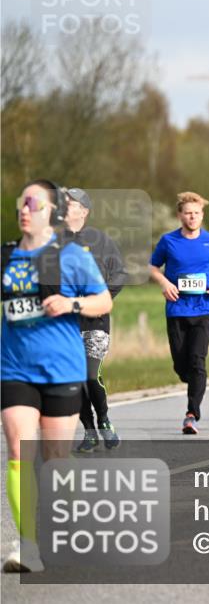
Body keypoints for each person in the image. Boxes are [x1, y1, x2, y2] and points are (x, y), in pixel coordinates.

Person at [2, 180, 112, 572]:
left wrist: (72, 302)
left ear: (50, 210)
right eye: (21, 202)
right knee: (19, 450)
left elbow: (104, 300)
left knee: (55, 460)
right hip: (14, 368)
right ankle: (27, 544)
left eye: (32, 202)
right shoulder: (6, 258)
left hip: (62, 369)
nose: (24, 208)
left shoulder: (71, 257)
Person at [148, 192, 209, 435]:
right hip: (176, 309)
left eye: (196, 213)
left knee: (197, 361)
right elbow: (153, 267)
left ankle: (191, 414)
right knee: (181, 364)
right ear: (180, 215)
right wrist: (164, 283)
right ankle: (191, 379)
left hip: (203, 308)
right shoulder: (168, 241)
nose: (192, 217)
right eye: (188, 213)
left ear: (202, 215)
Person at [59, 188, 128, 452]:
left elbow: (119, 274)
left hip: (95, 323)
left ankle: (105, 420)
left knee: (89, 375)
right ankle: (89, 431)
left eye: (70, 204)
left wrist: (102, 301)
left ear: (84, 211)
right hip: (64, 325)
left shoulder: (101, 241)